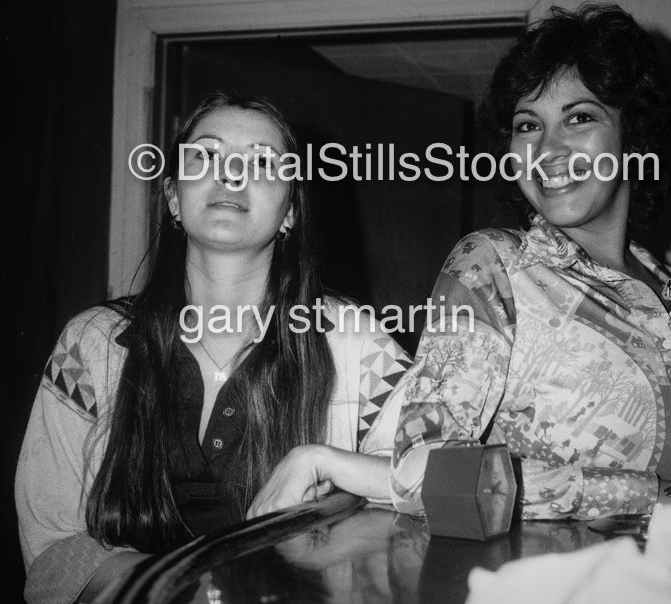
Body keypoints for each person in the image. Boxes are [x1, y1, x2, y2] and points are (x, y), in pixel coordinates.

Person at [391, 4, 671, 521]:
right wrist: (653, 497)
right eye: (527, 125)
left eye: (579, 117)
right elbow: (418, 473)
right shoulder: (492, 268)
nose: (547, 148)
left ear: (634, 140)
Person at [16, 92, 411, 604]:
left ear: (290, 211)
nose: (232, 174)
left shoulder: (355, 342)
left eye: (264, 162)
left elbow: (447, 479)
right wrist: (185, 588)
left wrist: (322, 461)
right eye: (205, 155)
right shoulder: (90, 345)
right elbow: (50, 550)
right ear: (174, 197)